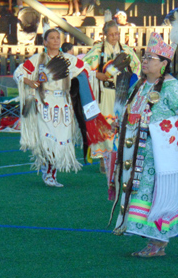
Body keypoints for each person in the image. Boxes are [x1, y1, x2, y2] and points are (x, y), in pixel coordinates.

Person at [109, 32, 178, 257]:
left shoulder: (172, 87)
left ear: (164, 64)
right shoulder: (139, 85)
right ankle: (152, 241)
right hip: (136, 155)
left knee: (158, 195)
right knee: (141, 195)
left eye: (151, 58)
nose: (145, 61)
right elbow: (128, 113)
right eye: (145, 57)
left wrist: (157, 128)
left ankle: (158, 242)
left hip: (160, 156)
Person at [13, 28, 111, 187]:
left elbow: (85, 70)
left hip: (63, 104)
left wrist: (101, 75)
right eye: (52, 38)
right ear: (45, 42)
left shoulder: (68, 60)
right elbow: (19, 72)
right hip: (44, 103)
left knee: (60, 139)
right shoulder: (37, 60)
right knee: (47, 138)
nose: (56, 40)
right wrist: (29, 81)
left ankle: (52, 172)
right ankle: (49, 174)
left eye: (58, 37)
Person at [83, 20, 141, 172]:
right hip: (105, 93)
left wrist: (132, 82)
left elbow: (137, 67)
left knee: (121, 124)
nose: (115, 37)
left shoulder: (126, 50)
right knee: (105, 124)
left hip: (122, 92)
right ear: (105, 35)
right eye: (111, 34)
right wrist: (97, 74)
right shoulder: (98, 50)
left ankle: (118, 157)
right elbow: (82, 67)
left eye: (117, 34)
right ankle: (104, 159)